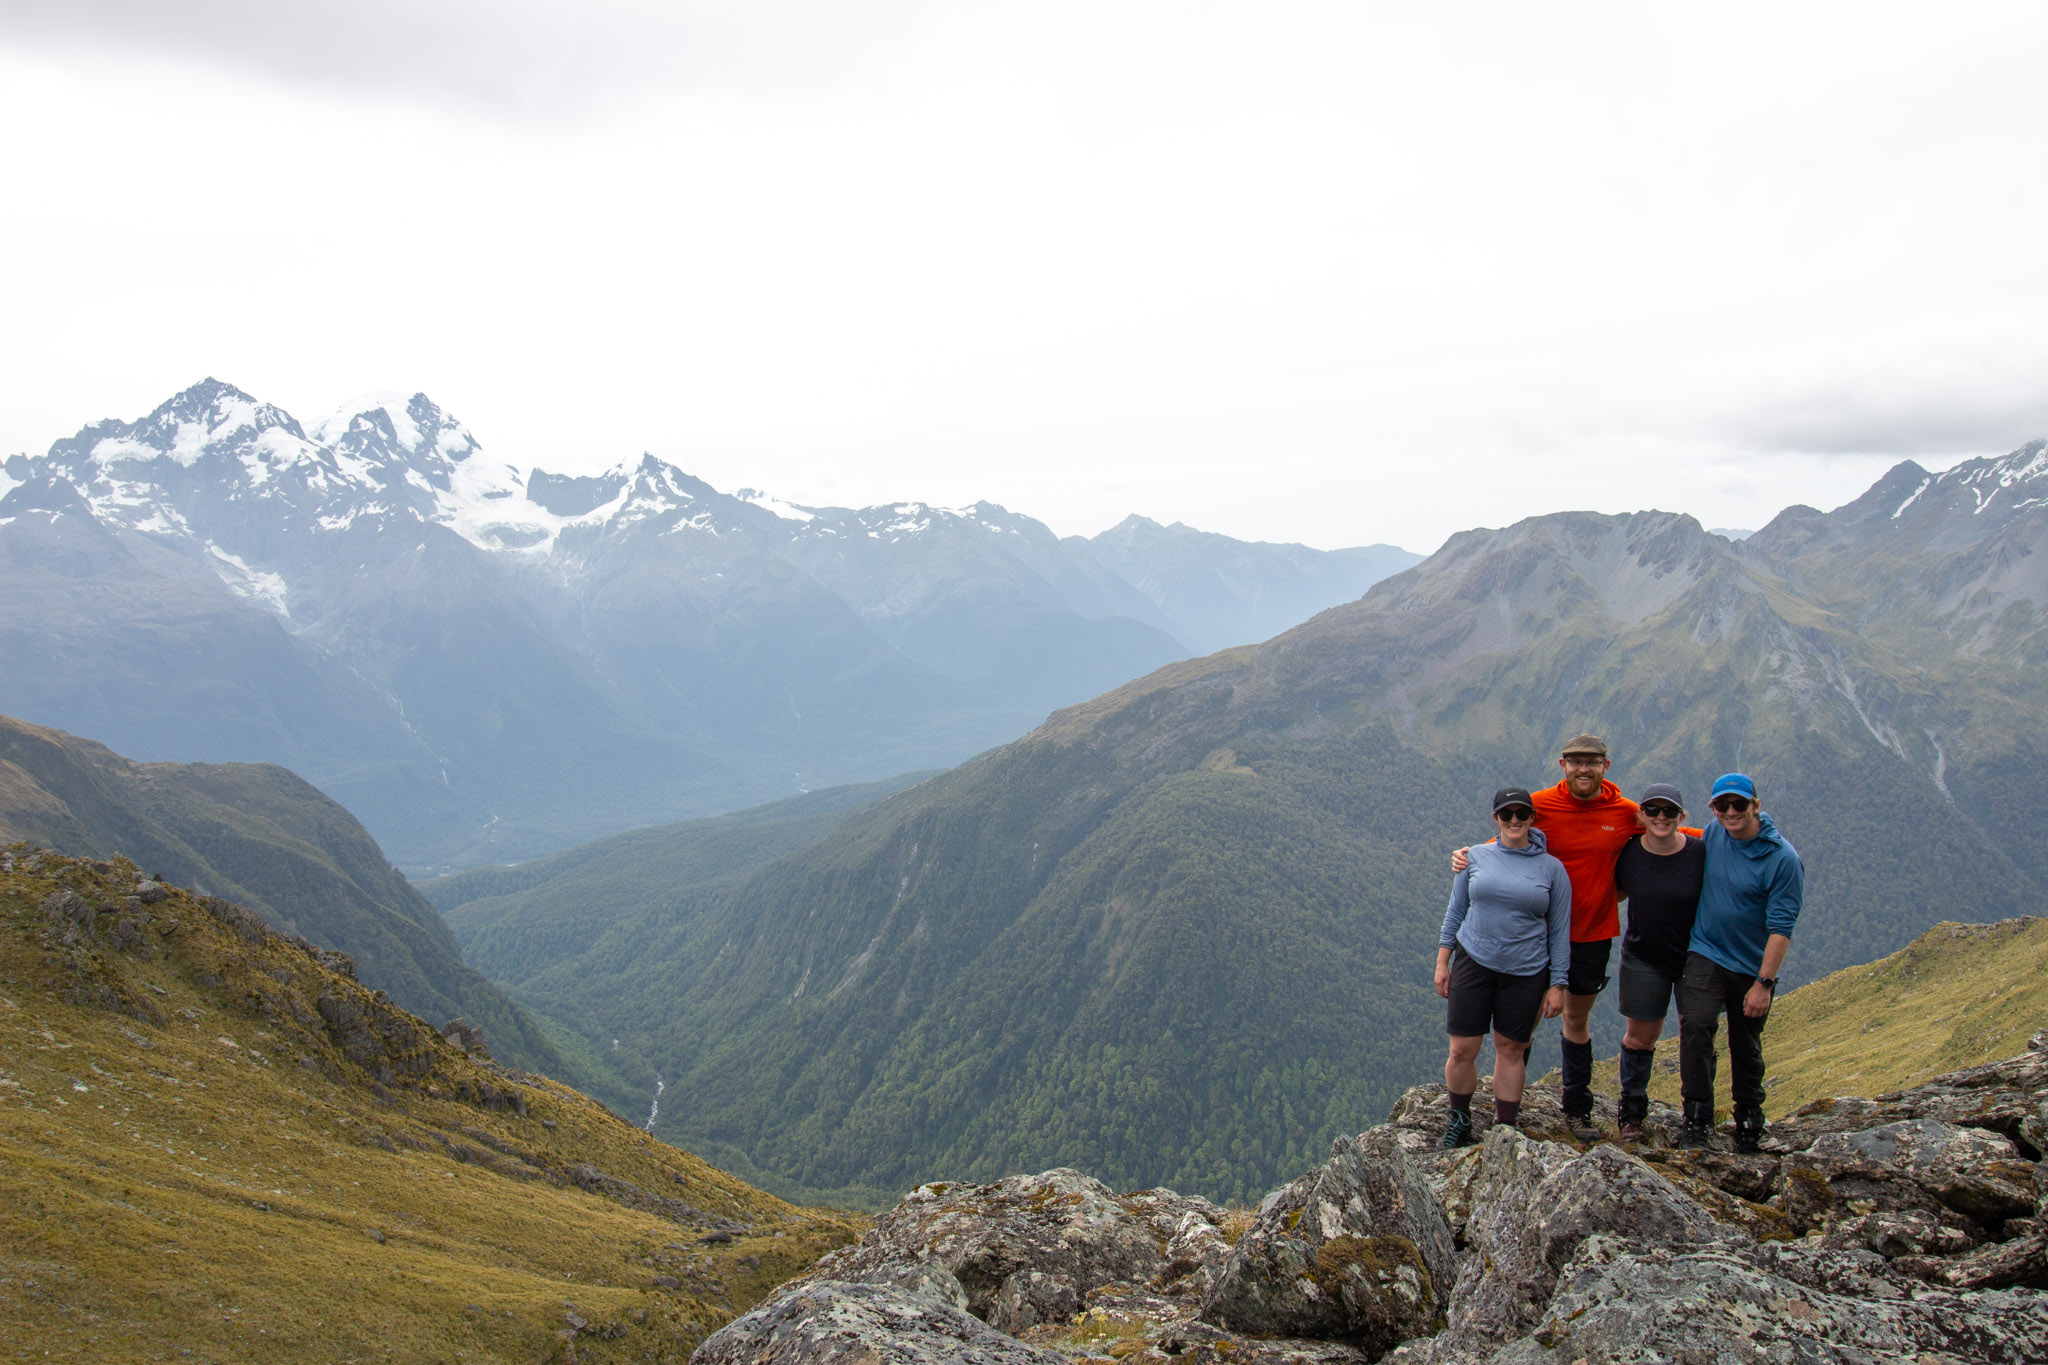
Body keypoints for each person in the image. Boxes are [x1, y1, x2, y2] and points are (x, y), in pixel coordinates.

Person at [1454, 734, 1639, 1141]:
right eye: (1576, 762)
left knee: (1575, 1019)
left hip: (1591, 933)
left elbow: (1670, 828)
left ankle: (1576, 1110)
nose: (1583, 769)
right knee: (1524, 1023)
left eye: (1591, 762)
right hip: (1534, 936)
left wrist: (1730, 832)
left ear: (1605, 766)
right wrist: (1468, 858)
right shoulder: (1540, 805)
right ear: (1563, 765)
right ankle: (1511, 1109)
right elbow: (1509, 837)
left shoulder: (1624, 812)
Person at [1434, 786, 1571, 1148]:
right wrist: (1442, 961)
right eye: (1506, 814)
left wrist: (1558, 984)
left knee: (1511, 1048)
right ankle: (1459, 1121)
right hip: (1473, 961)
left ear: (1531, 819)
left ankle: (1505, 1127)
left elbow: (1559, 930)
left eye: (1521, 814)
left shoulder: (1552, 870)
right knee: (1462, 1048)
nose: (1514, 821)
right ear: (1495, 819)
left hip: (1526, 971)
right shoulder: (1474, 857)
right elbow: (1455, 911)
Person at [1677, 773, 1804, 1153]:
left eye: (1739, 805)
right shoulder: (1715, 834)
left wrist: (1763, 984)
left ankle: (1749, 1119)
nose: (1730, 812)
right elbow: (1669, 828)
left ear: (1756, 806)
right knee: (1696, 1025)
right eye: (1722, 805)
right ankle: (1696, 1117)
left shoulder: (1783, 859)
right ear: (1712, 809)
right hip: (1706, 951)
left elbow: (1781, 929)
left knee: (1745, 1043)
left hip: (1751, 967)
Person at [1610, 782, 1705, 1143]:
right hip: (1643, 956)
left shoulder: (1700, 852)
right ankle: (1632, 1115)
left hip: (1695, 957)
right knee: (1640, 1037)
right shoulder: (1628, 852)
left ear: (1682, 817)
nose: (1661, 817)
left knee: (1696, 1035)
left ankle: (1698, 1117)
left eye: (1669, 811)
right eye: (1653, 810)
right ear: (1641, 816)